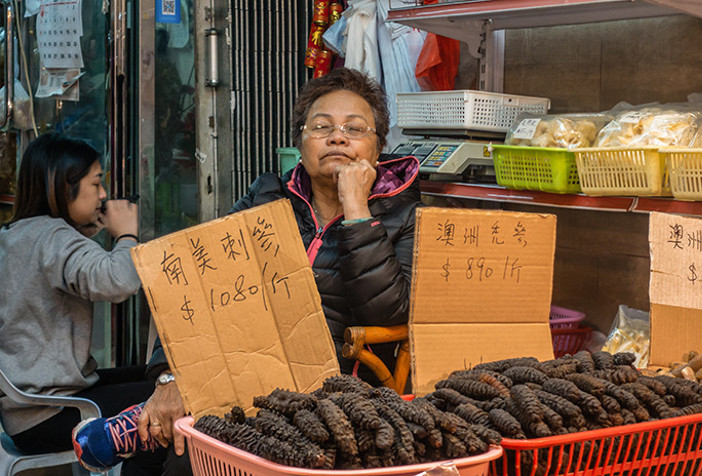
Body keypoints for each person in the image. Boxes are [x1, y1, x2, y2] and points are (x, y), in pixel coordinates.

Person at [0, 133, 185, 475]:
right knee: (170, 400)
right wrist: (126, 234)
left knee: (157, 376)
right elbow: (117, 281)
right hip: (53, 413)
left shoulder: (16, 234)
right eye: (96, 183)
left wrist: (93, 229)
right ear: (64, 187)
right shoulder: (54, 238)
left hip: (22, 412)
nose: (103, 195)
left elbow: (63, 265)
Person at [230, 67, 421, 384]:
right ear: (299, 144)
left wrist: (356, 210)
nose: (337, 137)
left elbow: (389, 315)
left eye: (354, 128)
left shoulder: (408, 218)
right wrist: (169, 375)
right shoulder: (265, 196)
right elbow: (199, 281)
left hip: (345, 395)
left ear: (378, 149)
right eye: (321, 127)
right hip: (245, 376)